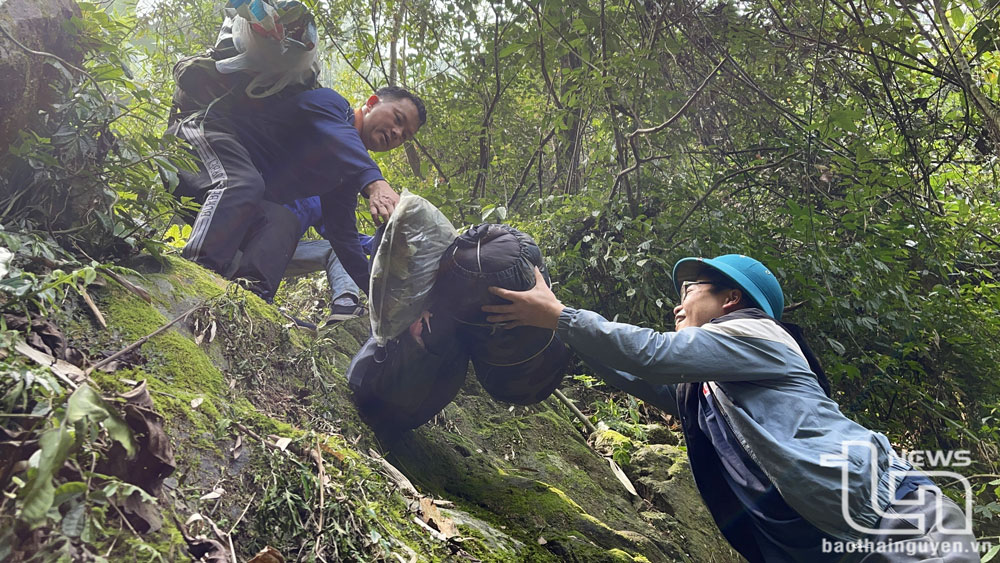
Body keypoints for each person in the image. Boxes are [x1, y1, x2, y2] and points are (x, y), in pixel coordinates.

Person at [482, 254, 978, 562]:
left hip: (899, 523)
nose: (678, 306)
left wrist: (562, 316)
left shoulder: (760, 335)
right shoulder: (709, 386)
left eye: (690, 291)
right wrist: (554, 329)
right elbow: (638, 375)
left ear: (731, 300)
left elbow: (653, 354)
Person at [167, 84, 425, 301]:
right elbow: (338, 135)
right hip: (196, 142)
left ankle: (248, 298)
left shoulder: (343, 175)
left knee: (282, 221)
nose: (397, 134)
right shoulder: (331, 104)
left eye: (405, 136)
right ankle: (195, 275)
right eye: (398, 119)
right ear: (371, 103)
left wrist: (381, 296)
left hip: (228, 203)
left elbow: (343, 238)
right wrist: (375, 182)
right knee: (246, 184)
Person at [282, 195, 373, 325]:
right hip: (249, 244)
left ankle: (344, 305)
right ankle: (261, 298)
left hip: (282, 252)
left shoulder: (322, 197)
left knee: (337, 249)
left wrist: (381, 243)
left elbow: (343, 237)